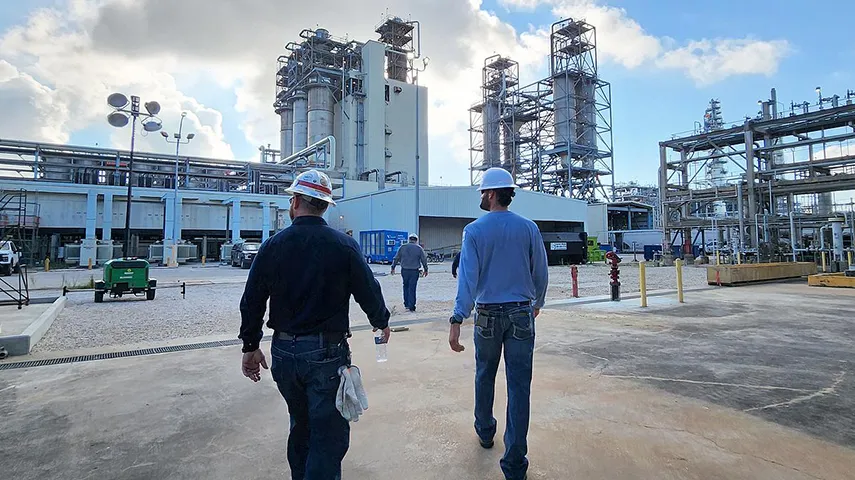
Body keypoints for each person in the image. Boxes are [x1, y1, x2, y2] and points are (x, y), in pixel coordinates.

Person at [239, 169, 391, 480]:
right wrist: (381, 322)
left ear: (294, 202)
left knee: (300, 425)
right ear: (325, 205)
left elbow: (252, 300)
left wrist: (250, 347)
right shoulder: (343, 246)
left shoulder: (272, 246)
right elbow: (368, 289)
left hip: (283, 354)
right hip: (326, 354)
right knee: (328, 435)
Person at [448, 167, 548, 480]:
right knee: (519, 387)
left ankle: (485, 429)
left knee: (484, 374)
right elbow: (541, 272)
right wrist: (537, 304)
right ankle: (515, 464)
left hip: (487, 316)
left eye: (482, 191)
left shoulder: (474, 231)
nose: (481, 196)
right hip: (520, 313)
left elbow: (468, 278)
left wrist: (457, 317)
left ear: (491, 194)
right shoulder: (528, 227)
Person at [390, 233, 428, 312]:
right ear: (416, 240)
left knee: (405, 286)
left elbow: (396, 258)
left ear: (409, 239)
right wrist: (426, 269)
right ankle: (412, 306)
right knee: (412, 288)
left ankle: (406, 304)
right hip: (414, 271)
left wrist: (393, 267)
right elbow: (424, 259)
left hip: (404, 270)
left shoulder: (402, 247)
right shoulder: (419, 248)